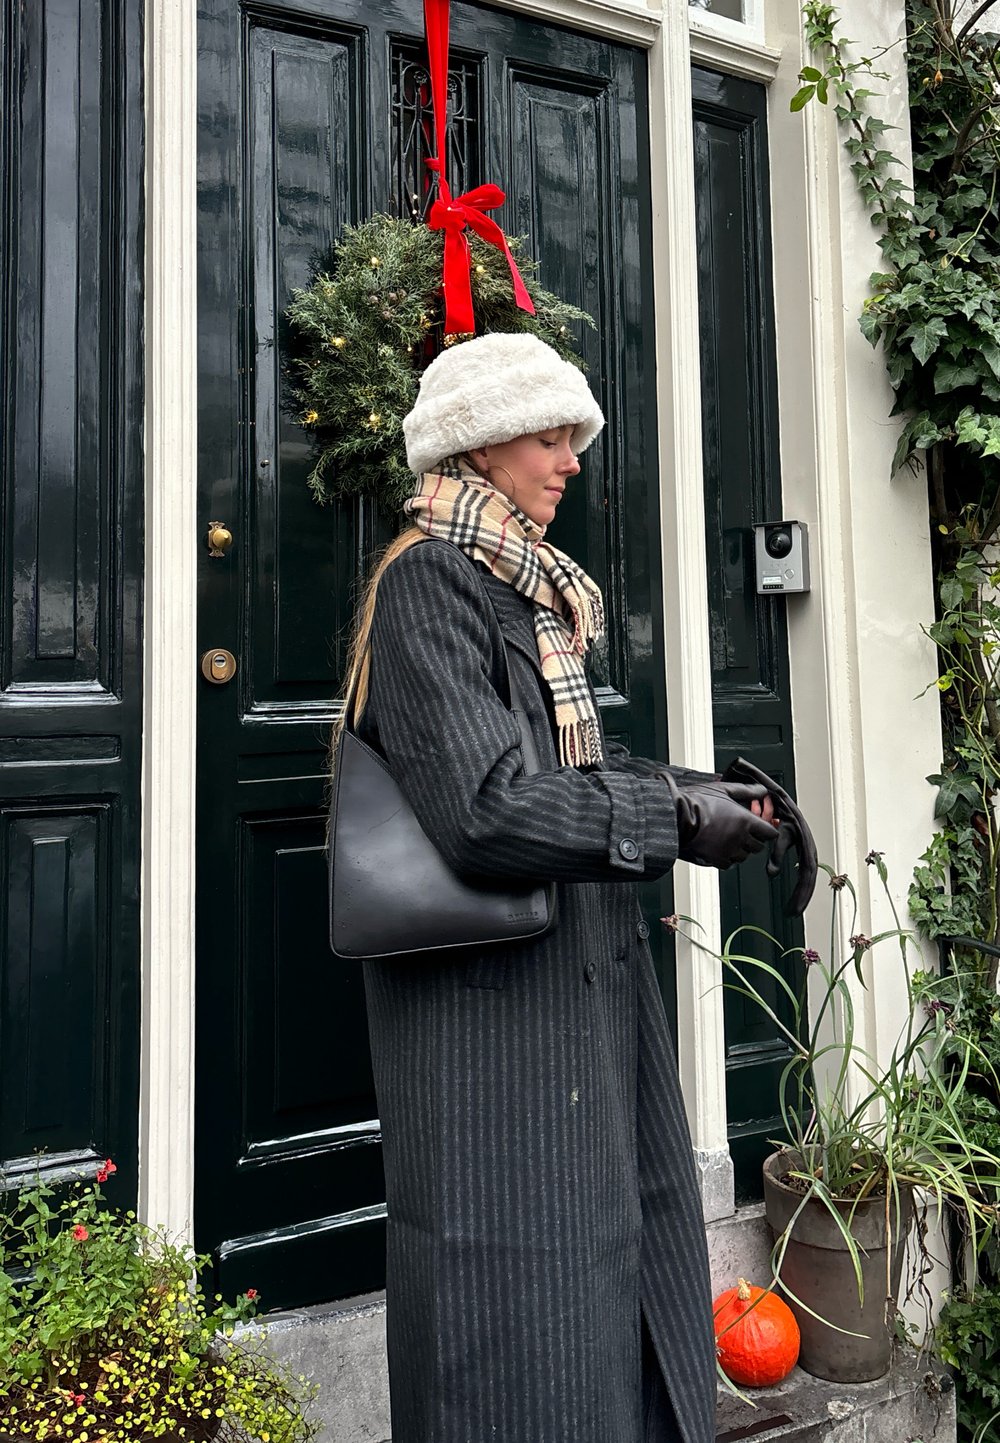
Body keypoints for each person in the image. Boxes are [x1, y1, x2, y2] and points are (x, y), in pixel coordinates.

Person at [336, 332, 798, 1443]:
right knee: (519, 1332)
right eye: (552, 436)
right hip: (495, 1041)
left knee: (601, 1307)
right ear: (482, 446)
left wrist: (704, 790)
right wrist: (671, 819)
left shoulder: (520, 592)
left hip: (569, 1010)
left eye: (573, 437)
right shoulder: (432, 587)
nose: (571, 461)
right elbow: (488, 810)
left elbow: (562, 777)